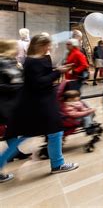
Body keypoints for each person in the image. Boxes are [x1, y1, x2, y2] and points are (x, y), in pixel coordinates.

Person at [0, 34, 78, 183]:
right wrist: (58, 72)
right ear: (41, 45)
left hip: (42, 103)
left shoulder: (38, 59)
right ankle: (57, 164)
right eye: (47, 45)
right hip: (39, 105)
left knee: (52, 132)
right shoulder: (31, 61)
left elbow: (43, 76)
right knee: (48, 132)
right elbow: (39, 82)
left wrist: (57, 70)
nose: (49, 48)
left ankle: (58, 163)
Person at [0, 40, 31, 162]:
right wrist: (20, 86)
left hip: (14, 101)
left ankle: (14, 152)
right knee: (11, 128)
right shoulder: (3, 63)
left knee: (12, 129)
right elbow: (1, 85)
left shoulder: (11, 62)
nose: (19, 50)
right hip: (6, 102)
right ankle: (11, 153)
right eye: (16, 47)